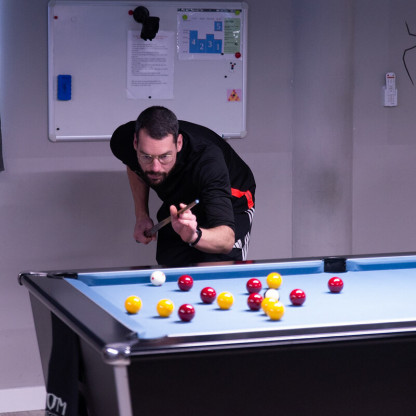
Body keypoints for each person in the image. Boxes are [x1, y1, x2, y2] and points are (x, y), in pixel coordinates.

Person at [110, 106, 256, 267]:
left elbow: (226, 240)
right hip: (182, 199)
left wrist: (194, 236)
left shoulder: (208, 161)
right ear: (135, 143)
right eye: (146, 157)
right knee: (170, 266)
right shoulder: (123, 141)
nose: (155, 168)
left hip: (230, 198)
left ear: (178, 143)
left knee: (214, 271)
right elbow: (134, 167)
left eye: (165, 156)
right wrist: (141, 215)